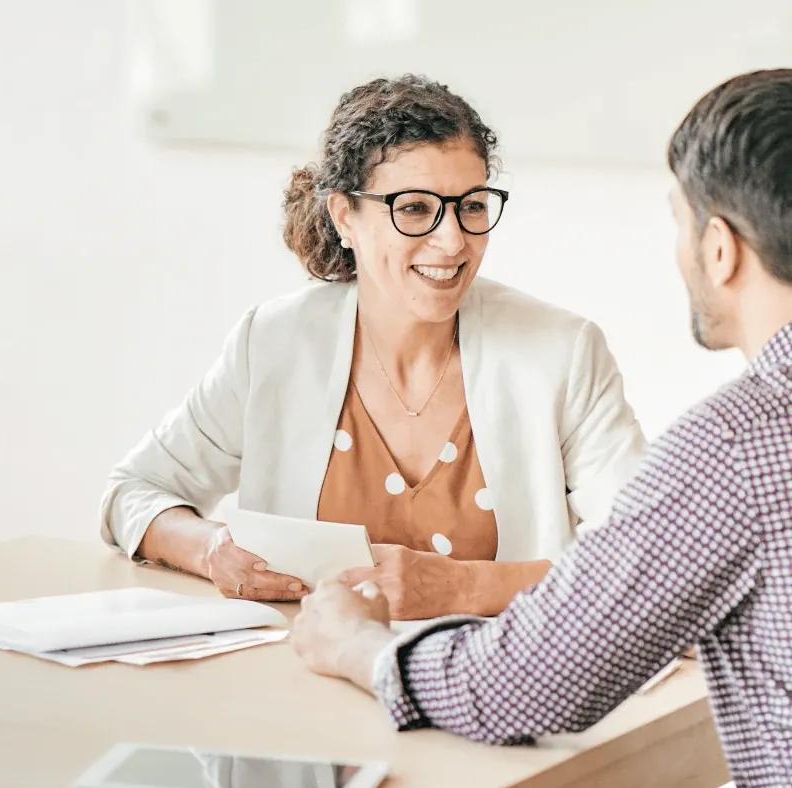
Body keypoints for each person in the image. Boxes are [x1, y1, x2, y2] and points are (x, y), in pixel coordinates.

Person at [292, 69, 792, 785]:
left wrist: (354, 645)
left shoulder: (735, 449)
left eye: (678, 223)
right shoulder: (280, 338)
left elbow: (517, 688)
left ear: (720, 248)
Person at [100, 75, 645, 619]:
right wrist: (212, 549)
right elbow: (133, 491)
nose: (453, 240)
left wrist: (464, 588)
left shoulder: (563, 353)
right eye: (415, 208)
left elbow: (649, 559)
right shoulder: (273, 341)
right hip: (304, 666)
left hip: (497, 671)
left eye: (473, 206)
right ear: (344, 217)